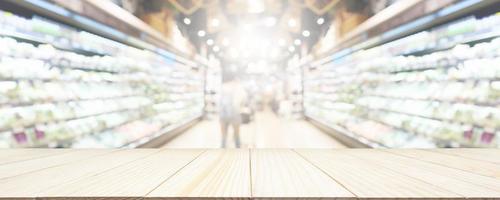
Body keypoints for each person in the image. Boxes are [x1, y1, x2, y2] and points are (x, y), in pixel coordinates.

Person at [219, 75, 246, 148]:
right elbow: (243, 100)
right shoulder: (239, 88)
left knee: (224, 135)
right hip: (235, 114)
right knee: (237, 134)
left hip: (223, 115)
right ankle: (238, 150)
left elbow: (218, 101)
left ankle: (222, 151)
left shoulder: (222, 87)